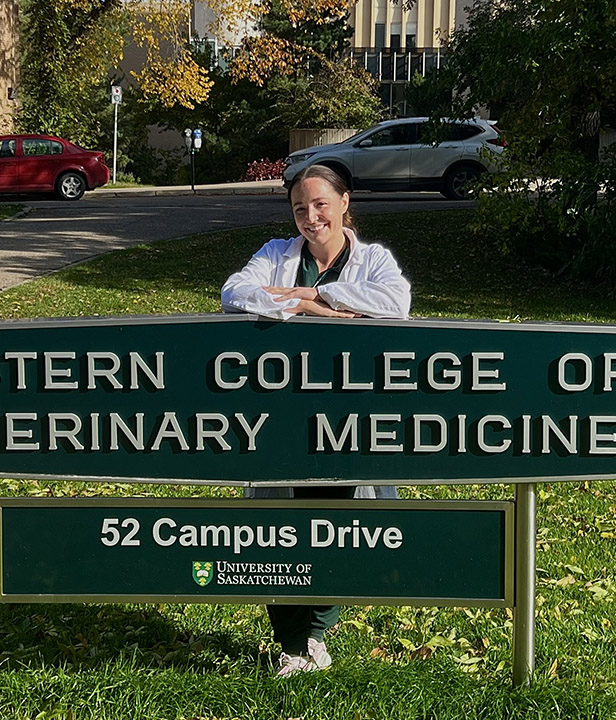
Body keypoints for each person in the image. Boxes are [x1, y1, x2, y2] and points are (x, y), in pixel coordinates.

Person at [220, 164, 412, 676]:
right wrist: (315, 311)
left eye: (321, 204)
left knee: (345, 525)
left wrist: (317, 296)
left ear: (345, 203)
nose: (310, 217)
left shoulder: (373, 260)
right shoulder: (275, 255)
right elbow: (235, 293)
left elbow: (396, 305)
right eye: (300, 208)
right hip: (279, 418)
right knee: (274, 528)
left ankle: (317, 632)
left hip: (349, 421)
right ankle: (289, 642)